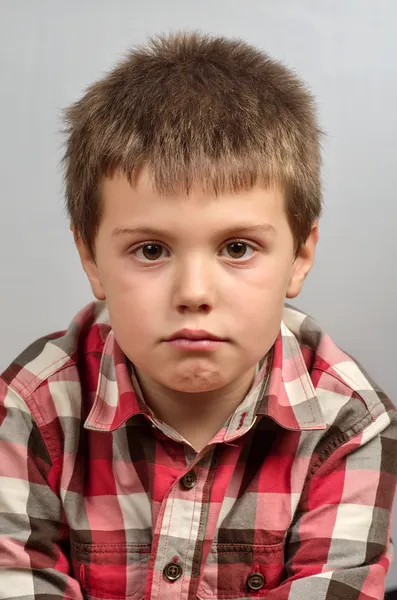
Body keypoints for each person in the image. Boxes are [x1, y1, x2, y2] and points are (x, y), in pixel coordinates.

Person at [0, 31, 396, 600]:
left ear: (299, 257)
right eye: (151, 250)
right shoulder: (31, 407)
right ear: (91, 258)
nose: (193, 293)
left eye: (237, 248)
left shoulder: (349, 426)